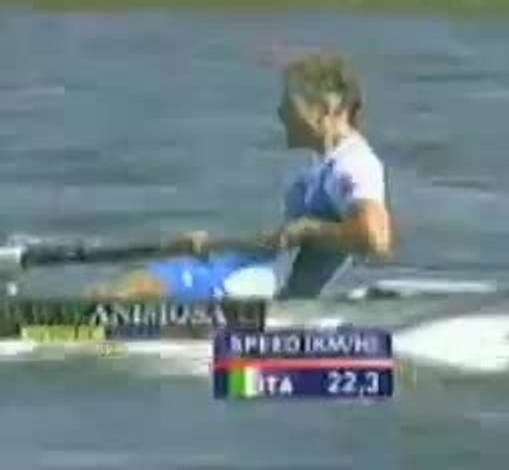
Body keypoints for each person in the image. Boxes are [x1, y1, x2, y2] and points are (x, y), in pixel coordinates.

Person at [105, 52, 393, 301]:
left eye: (289, 104)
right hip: (247, 271)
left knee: (136, 287)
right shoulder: (325, 164)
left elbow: (375, 239)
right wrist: (211, 244)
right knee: (130, 284)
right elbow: (280, 243)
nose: (281, 113)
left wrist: (310, 229)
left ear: (326, 109)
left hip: (257, 290)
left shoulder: (355, 165)